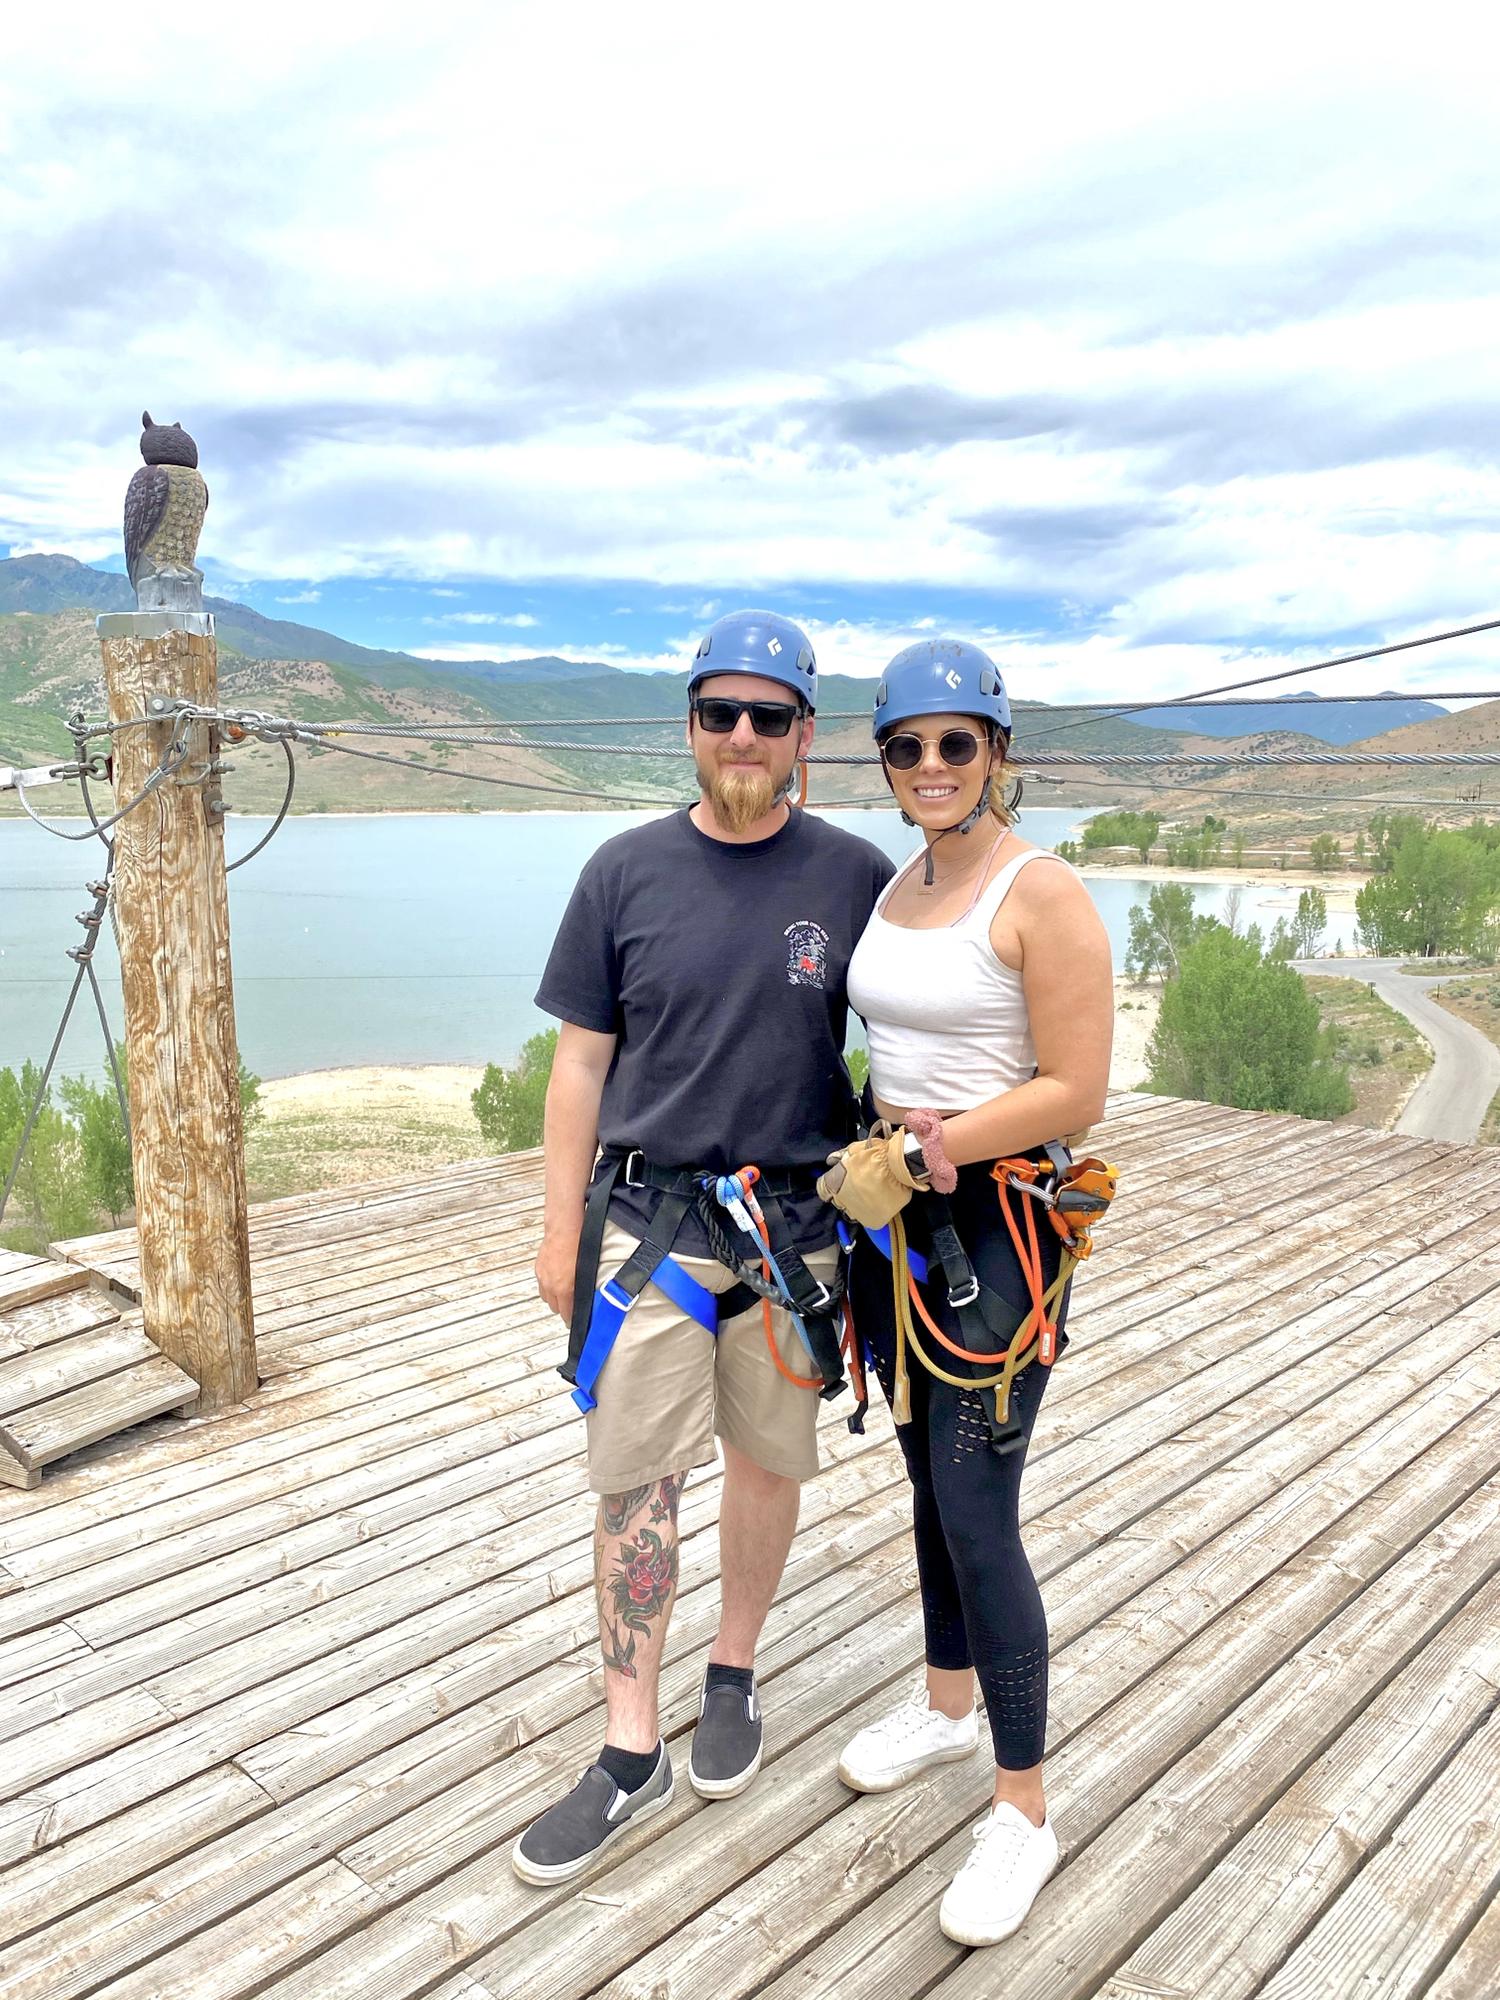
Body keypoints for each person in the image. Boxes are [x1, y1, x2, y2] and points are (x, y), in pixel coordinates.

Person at [513, 608, 894, 1885]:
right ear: (689, 726)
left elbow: (920, 1022)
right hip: (653, 1230)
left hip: (796, 1236)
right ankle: (630, 1745)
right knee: (637, 1482)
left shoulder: (854, 877)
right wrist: (558, 1231)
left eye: (768, 715)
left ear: (804, 736)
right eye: (720, 712)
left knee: (769, 1463)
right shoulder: (622, 872)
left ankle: (732, 1669)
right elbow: (579, 1068)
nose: (742, 734)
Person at [818, 637, 1112, 1947]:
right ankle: (947, 1708)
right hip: (897, 1216)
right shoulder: (902, 885)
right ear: (885, 760)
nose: (931, 765)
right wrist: (883, 1154)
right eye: (907, 746)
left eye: (956, 743)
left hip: (992, 1225)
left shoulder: (1041, 893)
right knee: (927, 1485)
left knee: (979, 1508)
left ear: (997, 752)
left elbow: (1076, 1088)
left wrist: (933, 1147)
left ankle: (1025, 1809)